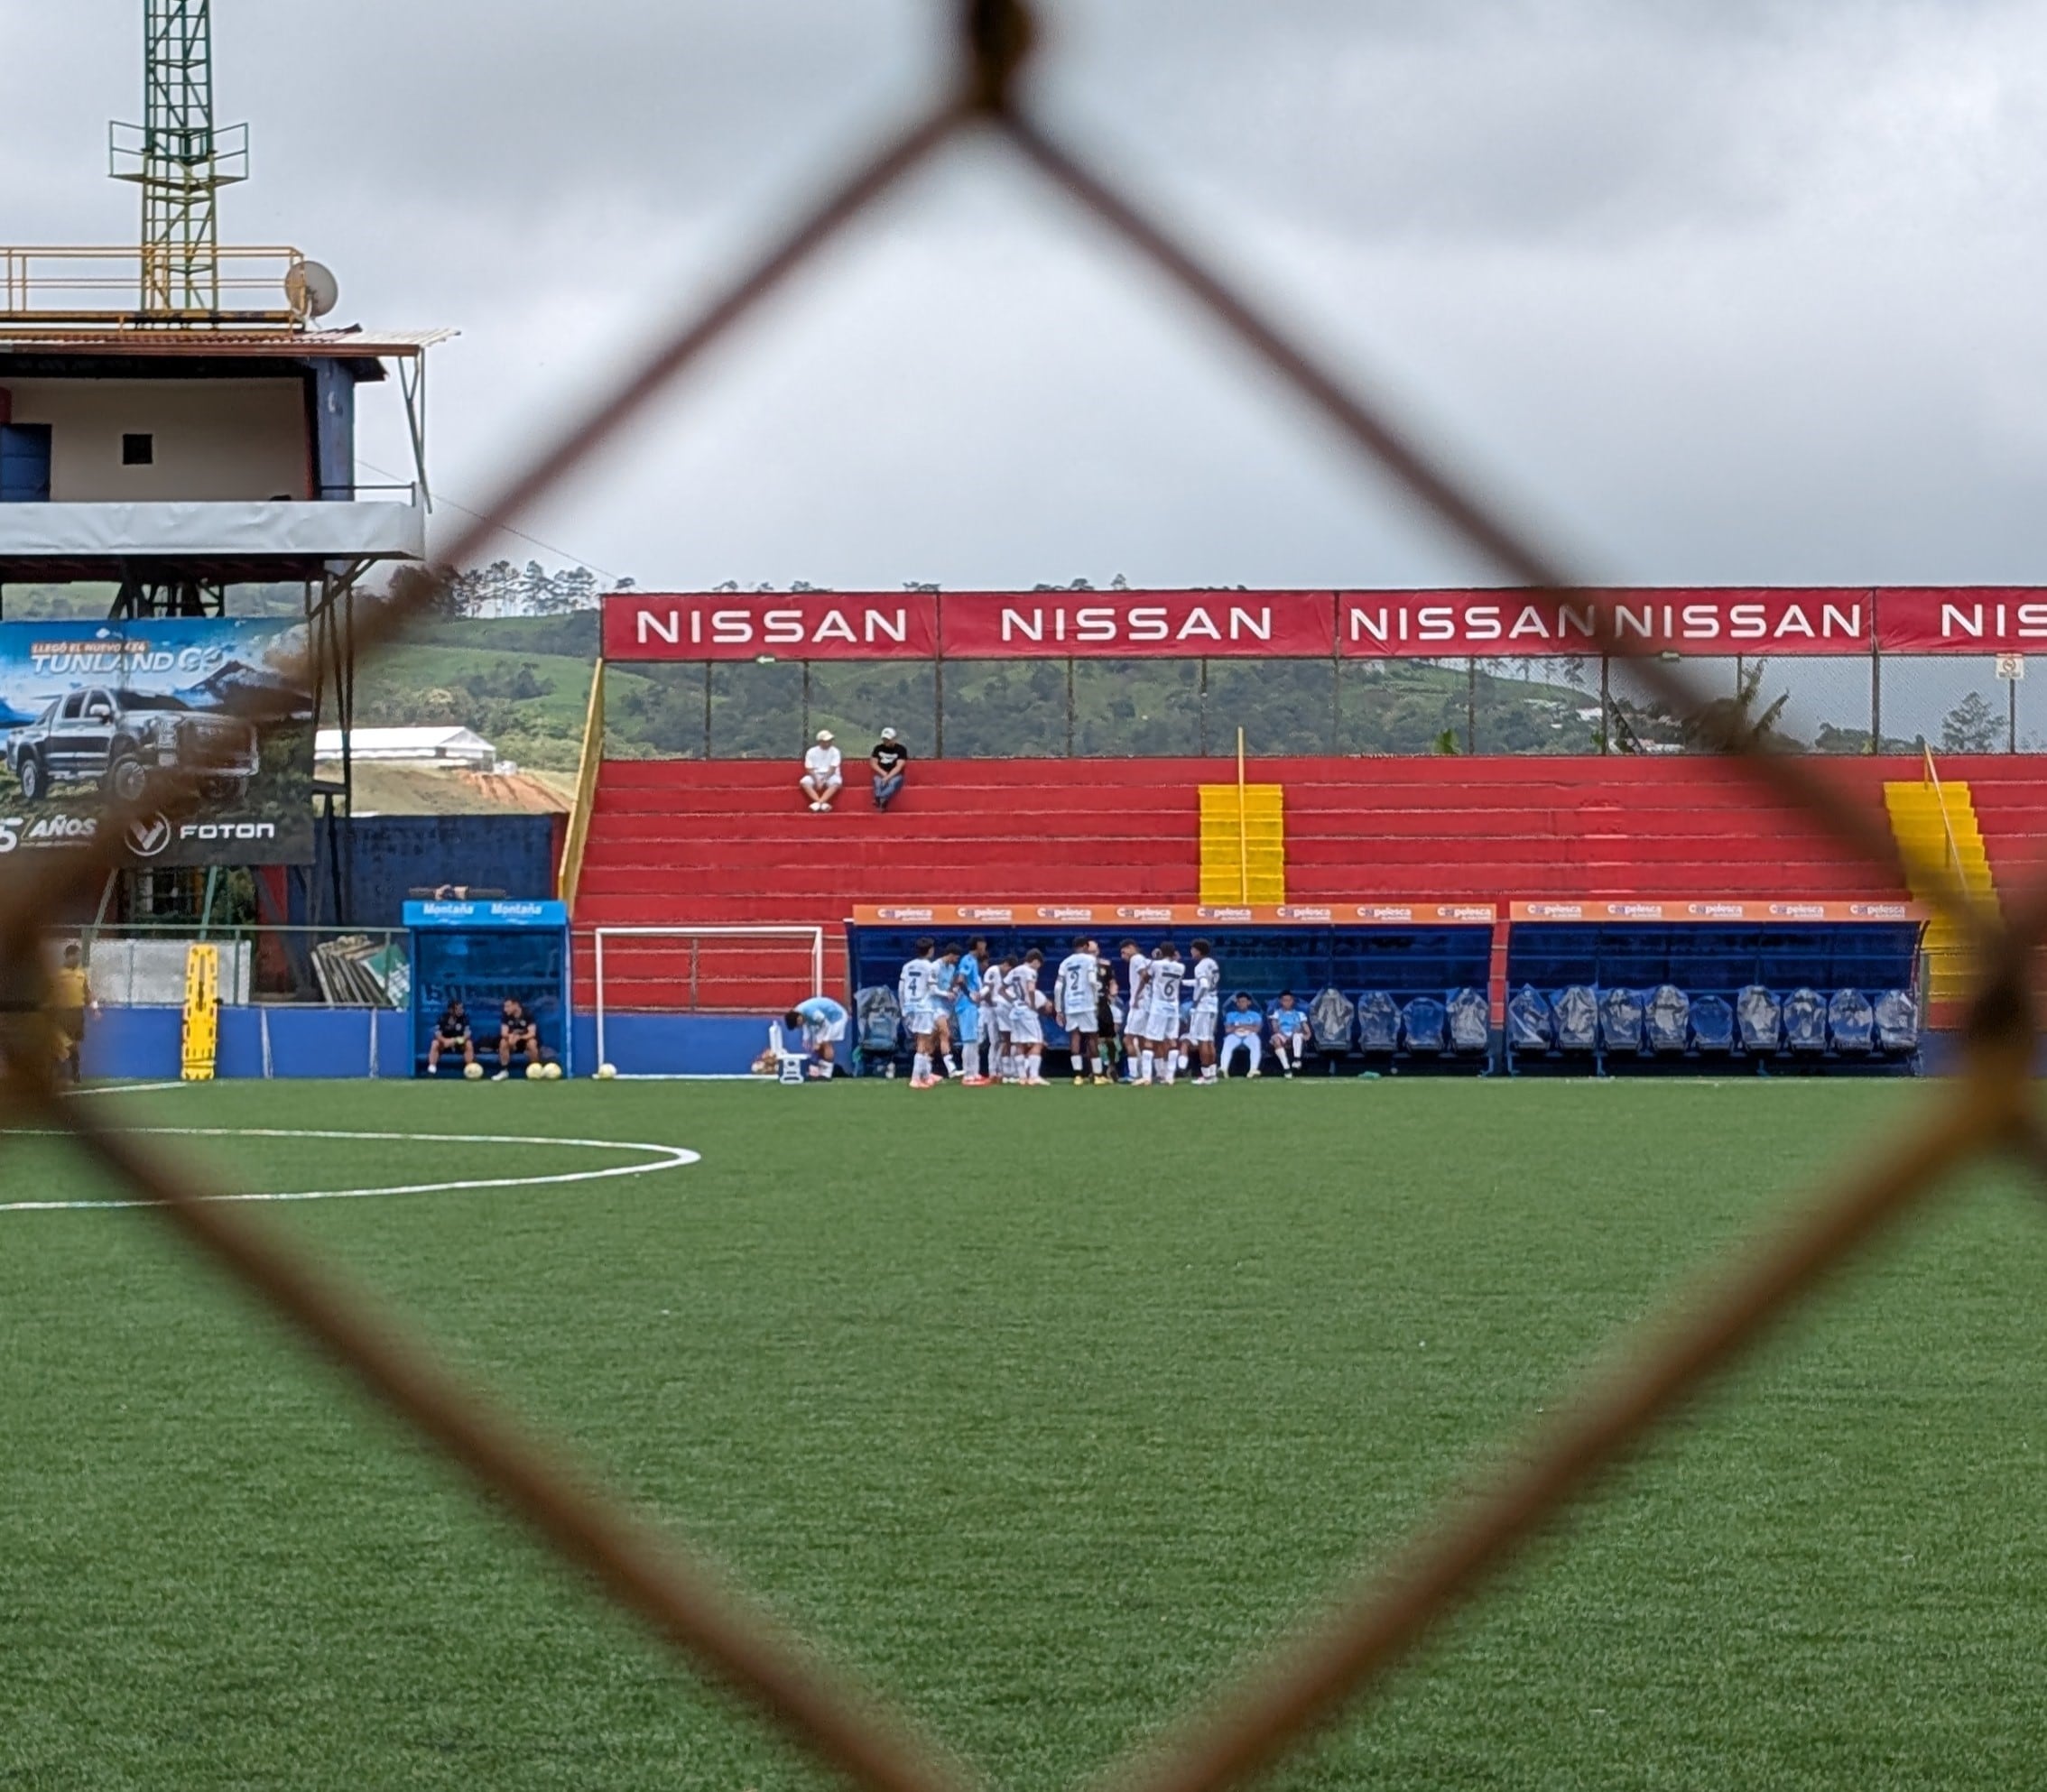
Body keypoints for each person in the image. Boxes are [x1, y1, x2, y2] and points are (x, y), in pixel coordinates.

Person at [44, 943, 98, 1085]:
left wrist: (95, 1009)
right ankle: (52, 1075)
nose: (79, 958)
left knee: (75, 1045)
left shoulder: (82, 974)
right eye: (77, 955)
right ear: (69, 956)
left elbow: (88, 993)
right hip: (62, 1014)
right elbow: (50, 994)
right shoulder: (58, 974)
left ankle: (75, 1075)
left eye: (79, 955)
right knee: (59, 1045)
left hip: (77, 1013)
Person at [1054, 936, 1105, 1085]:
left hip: (1071, 1003)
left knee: (1075, 1036)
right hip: (1086, 1003)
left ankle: (1077, 1076)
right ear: (1085, 946)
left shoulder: (1065, 962)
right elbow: (1091, 980)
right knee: (1092, 1037)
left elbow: (1058, 987)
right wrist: (1095, 1000)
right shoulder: (1090, 960)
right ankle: (1097, 1075)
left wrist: (1058, 1009)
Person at [1141, 941, 1186, 1085]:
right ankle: (1170, 1076)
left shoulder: (1156, 965)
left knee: (1150, 1039)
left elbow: (1145, 977)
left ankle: (1147, 1077)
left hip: (1158, 1006)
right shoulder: (1181, 967)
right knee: (1172, 1040)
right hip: (1173, 1006)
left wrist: (1154, 959)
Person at [900, 937, 940, 1088]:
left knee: (922, 1039)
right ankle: (915, 1078)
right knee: (923, 1041)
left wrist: (903, 1006)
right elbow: (932, 988)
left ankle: (925, 1074)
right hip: (924, 1007)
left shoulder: (907, 966)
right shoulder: (930, 967)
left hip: (910, 1006)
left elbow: (901, 988)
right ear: (930, 950)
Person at [1009, 948, 1051, 1084]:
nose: (1038, 969)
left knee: (1019, 1043)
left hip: (1015, 1011)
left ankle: (1022, 1077)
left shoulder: (1014, 971)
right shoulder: (1030, 971)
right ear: (1035, 961)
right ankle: (1033, 1076)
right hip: (1027, 1012)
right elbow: (1031, 989)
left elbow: (1002, 989)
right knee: (1038, 1042)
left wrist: (1014, 1001)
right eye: (1039, 965)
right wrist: (1032, 1004)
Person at [785, 993, 848, 1076]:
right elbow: (807, 1024)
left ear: (798, 1019)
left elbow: (825, 1024)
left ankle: (827, 1072)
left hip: (836, 1018)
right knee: (819, 1045)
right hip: (825, 1022)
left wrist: (821, 1041)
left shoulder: (810, 1011)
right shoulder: (799, 1012)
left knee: (826, 1043)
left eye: (798, 1025)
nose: (799, 1027)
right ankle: (821, 1069)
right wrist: (806, 1039)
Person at [954, 938, 989, 1084]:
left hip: (972, 1005)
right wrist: (970, 995)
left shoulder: (973, 961)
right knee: (969, 1040)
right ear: (978, 945)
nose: (985, 948)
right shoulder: (968, 960)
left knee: (973, 1040)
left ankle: (974, 1073)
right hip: (966, 1004)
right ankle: (968, 1074)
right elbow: (960, 979)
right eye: (983, 945)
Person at [1187, 939, 1222, 1085]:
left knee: (1202, 1041)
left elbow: (1203, 984)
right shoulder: (1212, 963)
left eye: (1193, 949)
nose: (1191, 952)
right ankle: (1212, 1074)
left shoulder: (1200, 966)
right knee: (1209, 1039)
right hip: (1213, 1002)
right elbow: (1203, 982)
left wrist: (1196, 1001)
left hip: (1203, 1005)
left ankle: (1206, 1075)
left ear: (1198, 951)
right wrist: (1183, 982)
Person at [928, 942, 962, 1080]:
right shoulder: (935, 966)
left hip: (946, 1006)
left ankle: (925, 1070)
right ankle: (951, 1068)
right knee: (945, 1033)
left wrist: (953, 991)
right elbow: (931, 988)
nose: (957, 960)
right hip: (934, 1005)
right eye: (956, 957)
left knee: (934, 1039)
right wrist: (945, 994)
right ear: (951, 955)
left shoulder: (952, 968)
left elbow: (949, 985)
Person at [1119, 939, 1152, 1083]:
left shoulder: (1136, 959)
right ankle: (1146, 1074)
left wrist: (1137, 995)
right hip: (1148, 1004)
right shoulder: (1146, 959)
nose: (1122, 955)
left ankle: (1133, 1074)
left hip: (1139, 1004)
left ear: (1131, 947)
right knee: (1143, 1040)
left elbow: (1145, 976)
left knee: (1128, 1038)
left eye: (1123, 951)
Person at [495, 997, 542, 1079]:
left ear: (516, 1005)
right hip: (512, 1041)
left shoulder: (528, 1014)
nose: (505, 1009)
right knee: (503, 1042)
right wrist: (511, 1037)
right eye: (505, 1007)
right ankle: (504, 1071)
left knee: (532, 1043)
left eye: (508, 1006)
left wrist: (519, 1037)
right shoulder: (505, 1016)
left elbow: (532, 1033)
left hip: (525, 1040)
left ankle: (535, 1070)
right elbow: (504, 1033)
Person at [427, 997, 476, 1076]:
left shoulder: (465, 1018)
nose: (461, 1010)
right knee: (435, 1043)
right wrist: (445, 1041)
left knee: (469, 1043)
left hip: (459, 1043)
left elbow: (467, 1035)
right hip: (445, 1044)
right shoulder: (443, 1017)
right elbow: (437, 1034)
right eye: (458, 1009)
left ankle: (469, 1069)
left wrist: (455, 1040)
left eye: (462, 1008)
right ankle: (432, 1069)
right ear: (451, 1010)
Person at [1220, 993, 1264, 1078]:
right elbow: (1227, 1030)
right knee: (1227, 1041)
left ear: (1249, 1003)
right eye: (1239, 1002)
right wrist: (1246, 1026)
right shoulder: (1231, 1015)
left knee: (1256, 1041)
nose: (1241, 1004)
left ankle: (1253, 1070)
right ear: (1236, 1003)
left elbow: (1257, 1029)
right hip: (1235, 1035)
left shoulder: (1255, 1015)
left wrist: (1240, 1025)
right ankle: (1223, 1069)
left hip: (1250, 1035)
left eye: (1244, 1001)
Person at [1269, 990, 1311, 1077]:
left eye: (1289, 1000)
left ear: (1293, 1001)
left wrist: (1307, 1035)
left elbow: (1306, 1028)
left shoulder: (1300, 1014)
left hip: (1296, 1034)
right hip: (1282, 1034)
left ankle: (1297, 1060)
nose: (1287, 1002)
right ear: (1281, 1001)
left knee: (1297, 1035)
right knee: (1275, 1039)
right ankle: (1287, 1069)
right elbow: (1275, 1028)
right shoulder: (1277, 1013)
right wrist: (1284, 1036)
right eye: (1285, 1000)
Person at [801, 729, 843, 811]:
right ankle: (822, 804)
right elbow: (809, 768)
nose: (829, 742)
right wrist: (817, 780)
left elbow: (832, 768)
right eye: (826, 741)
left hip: (831, 775)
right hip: (815, 774)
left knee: (836, 783)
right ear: (820, 741)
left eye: (830, 740)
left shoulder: (835, 751)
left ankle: (819, 803)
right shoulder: (811, 752)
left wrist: (824, 780)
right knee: (804, 782)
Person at [870, 727, 910, 810]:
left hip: (896, 775)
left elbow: (899, 766)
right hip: (881, 773)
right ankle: (882, 801)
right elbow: (873, 763)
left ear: (893, 739)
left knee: (893, 783)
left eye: (888, 739)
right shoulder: (878, 748)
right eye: (884, 739)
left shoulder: (901, 750)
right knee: (877, 781)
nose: (886, 741)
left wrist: (888, 777)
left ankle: (879, 798)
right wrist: (884, 774)